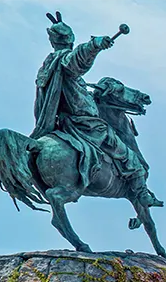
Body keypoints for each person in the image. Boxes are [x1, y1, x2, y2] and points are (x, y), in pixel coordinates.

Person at [32, 12, 151, 201]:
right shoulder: (63, 59)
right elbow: (77, 60)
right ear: (70, 39)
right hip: (88, 126)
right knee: (127, 155)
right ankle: (141, 193)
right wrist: (95, 45)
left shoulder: (47, 66)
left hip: (64, 123)